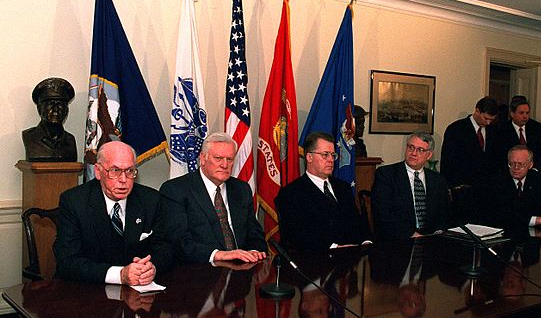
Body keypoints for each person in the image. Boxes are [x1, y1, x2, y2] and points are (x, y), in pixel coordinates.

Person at [54, 141, 169, 284]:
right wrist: (119, 275)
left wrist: (152, 268)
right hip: (87, 291)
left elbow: (165, 248)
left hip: (138, 293)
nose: (123, 179)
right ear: (98, 171)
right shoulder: (74, 202)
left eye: (129, 171)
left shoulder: (150, 200)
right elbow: (67, 261)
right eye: (115, 171)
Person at [159, 132, 267, 263]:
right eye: (218, 158)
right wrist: (218, 255)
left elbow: (254, 232)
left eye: (230, 159)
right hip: (199, 270)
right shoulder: (176, 190)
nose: (225, 165)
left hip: (242, 268)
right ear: (203, 158)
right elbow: (178, 242)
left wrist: (254, 252)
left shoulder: (241, 189)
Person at [275, 131, 366, 250]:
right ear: (309, 157)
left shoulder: (343, 188)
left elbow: (357, 222)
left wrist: (366, 241)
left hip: (352, 258)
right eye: (325, 155)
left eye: (333, 155)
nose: (331, 160)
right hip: (316, 261)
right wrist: (335, 247)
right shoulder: (291, 193)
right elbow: (296, 236)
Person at [372, 132, 448, 240]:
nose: (413, 153)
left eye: (420, 150)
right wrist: (412, 235)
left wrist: (438, 233)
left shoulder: (438, 180)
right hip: (396, 240)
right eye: (411, 147)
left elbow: (443, 215)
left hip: (430, 241)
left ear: (429, 155)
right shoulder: (386, 174)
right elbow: (383, 213)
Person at [440, 97, 498, 224]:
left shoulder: (494, 131)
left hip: (485, 192)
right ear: (477, 111)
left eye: (491, 120)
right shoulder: (456, 129)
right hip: (462, 192)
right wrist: (450, 188)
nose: (488, 123)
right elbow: (447, 162)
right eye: (486, 118)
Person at [487, 145, 541, 231]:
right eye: (512, 163)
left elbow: (540, 207)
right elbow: (505, 215)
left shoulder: (535, 178)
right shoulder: (498, 180)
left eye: (521, 164)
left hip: (528, 235)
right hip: (502, 233)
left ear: (530, 165)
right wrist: (539, 220)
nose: (516, 168)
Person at [22, 77, 77, 162]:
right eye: (50, 104)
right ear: (39, 109)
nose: (55, 110)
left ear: (67, 110)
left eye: (60, 104)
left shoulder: (70, 140)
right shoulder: (29, 137)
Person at [495, 96, 541, 175]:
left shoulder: (535, 126)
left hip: (533, 174)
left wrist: (535, 170)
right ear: (512, 114)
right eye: (521, 113)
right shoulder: (502, 130)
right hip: (510, 176)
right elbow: (500, 156)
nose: (525, 116)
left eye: (527, 113)